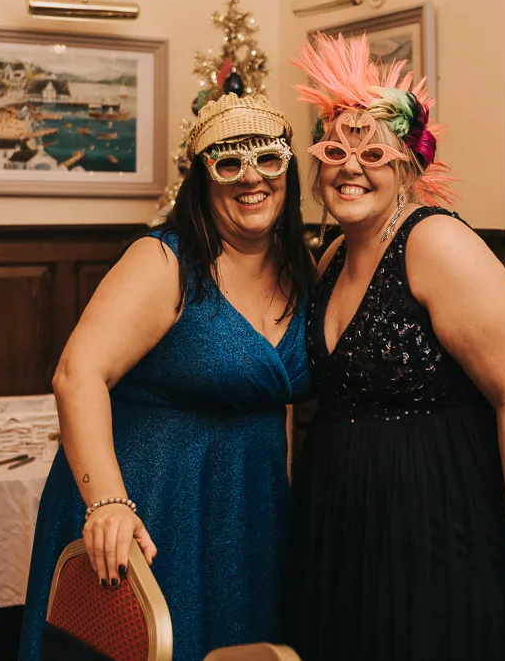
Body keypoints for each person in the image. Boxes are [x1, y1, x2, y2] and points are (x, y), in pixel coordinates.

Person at [281, 33, 505, 660]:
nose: (351, 167)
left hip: (434, 514)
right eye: (335, 151)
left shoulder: (435, 243)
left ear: (408, 166)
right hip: (343, 521)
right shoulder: (333, 256)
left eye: (374, 153)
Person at [18, 93, 314, 661]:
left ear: (289, 171)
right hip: (151, 507)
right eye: (227, 162)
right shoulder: (163, 261)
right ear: (201, 179)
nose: (250, 177)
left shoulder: (303, 267)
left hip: (248, 511)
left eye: (268, 160)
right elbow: (77, 374)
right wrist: (108, 502)